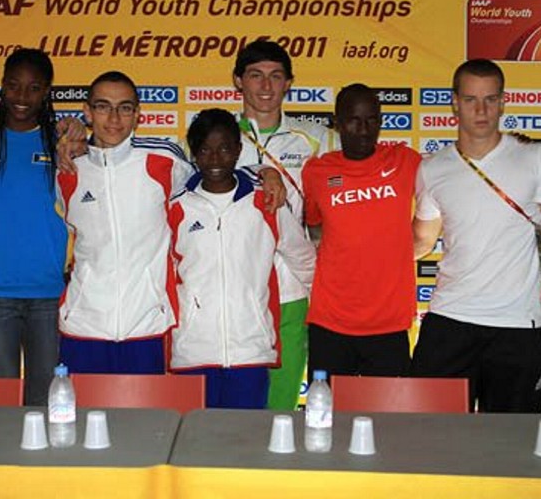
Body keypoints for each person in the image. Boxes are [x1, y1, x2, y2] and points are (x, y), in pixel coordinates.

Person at [411, 58, 541, 413]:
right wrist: (359, 258)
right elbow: (421, 241)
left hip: (517, 327)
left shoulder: (535, 157)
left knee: (514, 442)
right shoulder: (432, 168)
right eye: (470, 100)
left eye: (490, 99)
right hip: (449, 322)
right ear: (454, 103)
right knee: (431, 437)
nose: (481, 110)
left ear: (503, 102)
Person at [168, 109, 316, 408]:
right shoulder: (176, 207)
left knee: (246, 435)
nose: (215, 159)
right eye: (205, 150)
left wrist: (329, 309)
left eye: (224, 149)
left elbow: (303, 260)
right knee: (193, 435)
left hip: (251, 351)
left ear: (238, 150)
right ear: (194, 153)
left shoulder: (266, 202)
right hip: (192, 351)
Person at [55, 71, 196, 374]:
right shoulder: (67, 171)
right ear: (87, 111)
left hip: (148, 326)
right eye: (103, 106)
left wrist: (263, 171)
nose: (114, 118)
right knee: (80, 407)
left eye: (125, 107)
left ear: (137, 114)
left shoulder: (165, 160)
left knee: (151, 409)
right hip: (82, 326)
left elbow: (215, 182)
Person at [0, 48, 69, 406]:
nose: (22, 96)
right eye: (14, 85)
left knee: (47, 405)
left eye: (34, 88)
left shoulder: (63, 145)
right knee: (0, 407)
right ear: (2, 85)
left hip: (50, 296)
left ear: (47, 91)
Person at [232, 39, 337, 409]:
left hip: (294, 288)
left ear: (289, 83)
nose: (266, 86)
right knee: (230, 406)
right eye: (255, 75)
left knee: (281, 405)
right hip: (234, 288)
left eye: (276, 76)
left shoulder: (319, 138)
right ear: (238, 81)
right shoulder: (217, 136)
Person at [302, 84, 421, 379]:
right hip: (330, 321)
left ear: (381, 121)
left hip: (388, 324)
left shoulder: (405, 161)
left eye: (371, 120)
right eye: (354, 120)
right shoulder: (317, 172)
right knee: (325, 408)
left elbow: (456, 166)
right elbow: (315, 229)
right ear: (337, 122)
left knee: (385, 410)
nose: (364, 130)